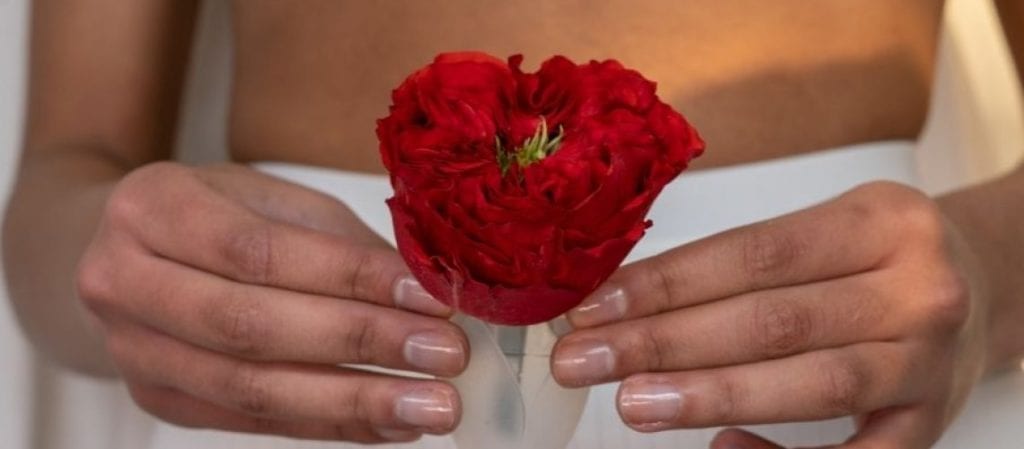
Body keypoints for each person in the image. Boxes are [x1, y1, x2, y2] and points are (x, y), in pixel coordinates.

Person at [4, 1, 1024, 448]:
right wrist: (126, 260)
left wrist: (982, 269)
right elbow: (61, 184)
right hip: (298, 392)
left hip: (841, 398)